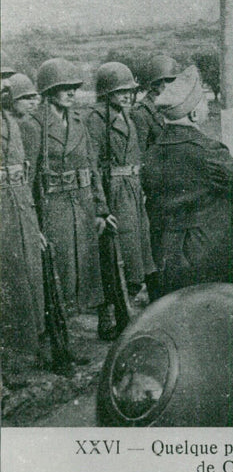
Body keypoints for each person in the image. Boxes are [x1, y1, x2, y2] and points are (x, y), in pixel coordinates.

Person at [141, 66, 233, 299]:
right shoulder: (206, 152)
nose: (207, 107)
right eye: (203, 102)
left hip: (165, 255)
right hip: (206, 257)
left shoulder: (152, 153)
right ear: (193, 114)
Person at [20, 58, 118, 340]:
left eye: (74, 87)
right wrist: (32, 223)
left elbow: (92, 166)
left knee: (90, 265)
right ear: (49, 91)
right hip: (53, 206)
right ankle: (53, 339)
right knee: (58, 269)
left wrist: (101, 209)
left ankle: (101, 320)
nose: (72, 93)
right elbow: (27, 179)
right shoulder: (33, 125)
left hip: (83, 203)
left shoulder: (78, 120)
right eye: (65, 88)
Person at [86, 62, 156, 312]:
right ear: (106, 93)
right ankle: (110, 315)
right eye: (120, 91)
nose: (127, 95)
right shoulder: (95, 119)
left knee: (137, 252)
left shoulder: (127, 115)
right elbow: (91, 165)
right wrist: (101, 207)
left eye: (130, 90)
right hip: (113, 191)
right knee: (117, 254)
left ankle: (125, 308)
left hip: (132, 190)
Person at [0, 70, 48, 374]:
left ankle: (29, 346)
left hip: (20, 205)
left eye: (34, 96)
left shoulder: (19, 126)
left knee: (29, 276)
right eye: (25, 97)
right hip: (4, 208)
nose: (34, 101)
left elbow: (26, 174)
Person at [130, 54, 178, 297]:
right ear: (155, 84)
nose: (170, 85)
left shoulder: (169, 106)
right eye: (166, 81)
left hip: (170, 181)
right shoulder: (141, 113)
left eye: (172, 80)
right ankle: (155, 290)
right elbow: (137, 153)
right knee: (155, 236)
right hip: (154, 184)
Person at [130, 54, 179, 151]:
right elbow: (140, 151)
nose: (175, 86)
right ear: (159, 83)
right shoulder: (141, 112)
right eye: (171, 80)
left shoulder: (172, 107)